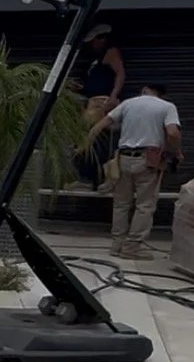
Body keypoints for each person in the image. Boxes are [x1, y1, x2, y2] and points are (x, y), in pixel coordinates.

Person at [94, 83, 183, 259]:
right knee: (144, 205)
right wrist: (177, 150)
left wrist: (85, 143)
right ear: (161, 95)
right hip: (148, 160)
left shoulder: (128, 103)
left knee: (121, 203)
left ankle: (117, 245)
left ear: (144, 90)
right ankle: (132, 247)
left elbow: (102, 124)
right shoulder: (167, 106)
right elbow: (172, 133)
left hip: (123, 159)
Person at [76, 23, 126, 185]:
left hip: (100, 102)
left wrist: (113, 96)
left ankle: (91, 177)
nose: (92, 45)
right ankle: (89, 175)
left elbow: (120, 73)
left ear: (102, 39)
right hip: (90, 101)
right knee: (87, 138)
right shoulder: (95, 59)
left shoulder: (110, 53)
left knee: (91, 139)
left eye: (94, 41)